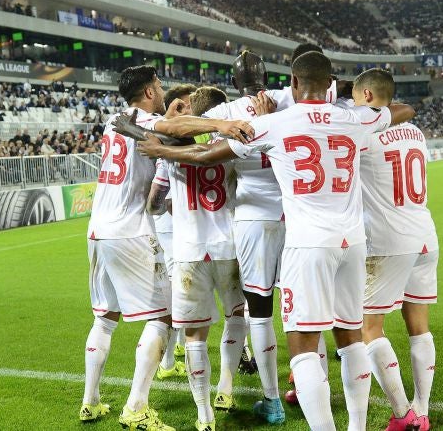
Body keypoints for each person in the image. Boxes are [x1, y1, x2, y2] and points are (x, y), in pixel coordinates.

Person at [112, 52, 415, 431]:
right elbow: (402, 110)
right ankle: (357, 427)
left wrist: (161, 151)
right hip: (352, 242)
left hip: (303, 242)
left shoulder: (275, 122)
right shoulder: (352, 117)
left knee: (300, 345)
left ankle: (293, 410)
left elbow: (206, 153)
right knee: (351, 337)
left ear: (292, 82)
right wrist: (372, 113)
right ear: (331, 84)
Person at [80, 64, 252, 431]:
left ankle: (90, 401)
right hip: (131, 229)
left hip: (97, 229)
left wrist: (170, 120)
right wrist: (220, 125)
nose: (162, 93)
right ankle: (136, 407)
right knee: (162, 318)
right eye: (159, 87)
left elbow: (166, 134)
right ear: (148, 92)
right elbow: (173, 132)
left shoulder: (116, 118)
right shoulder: (146, 118)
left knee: (105, 318)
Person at [200, 50, 286, 424]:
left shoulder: (225, 111)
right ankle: (304, 377)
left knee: (260, 311)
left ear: (233, 83)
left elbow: (183, 129)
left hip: (252, 219)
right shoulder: (287, 98)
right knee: (302, 308)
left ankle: (272, 401)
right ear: (267, 74)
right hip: (296, 213)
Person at [356, 69, 438, 431]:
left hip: (386, 241)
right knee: (419, 328)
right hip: (424, 234)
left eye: (358, 99)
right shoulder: (416, 132)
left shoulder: (367, 134)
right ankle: (422, 409)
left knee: (368, 328)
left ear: (369, 95)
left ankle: (403, 412)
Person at [153, 84, 198, 381]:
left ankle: (176, 352)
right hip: (171, 229)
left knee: (185, 289)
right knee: (176, 291)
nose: (193, 111)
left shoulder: (174, 139)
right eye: (188, 105)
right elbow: (162, 202)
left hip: (177, 228)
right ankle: (166, 362)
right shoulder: (168, 143)